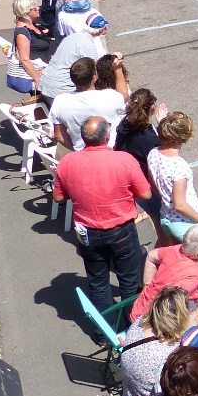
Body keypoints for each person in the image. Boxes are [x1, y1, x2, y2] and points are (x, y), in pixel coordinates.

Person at [55, 116, 153, 315]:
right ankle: (131, 327)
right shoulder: (124, 159)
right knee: (129, 280)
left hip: (88, 233)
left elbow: (58, 197)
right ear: (107, 136)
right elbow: (145, 193)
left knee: (98, 282)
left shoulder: (66, 163)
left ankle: (105, 331)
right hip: (122, 230)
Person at [129, 223, 198, 322]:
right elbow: (174, 301)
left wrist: (147, 284)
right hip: (150, 321)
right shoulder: (194, 276)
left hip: (138, 309)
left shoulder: (176, 250)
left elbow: (151, 256)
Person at [149, 111, 198, 244]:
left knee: (171, 255)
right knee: (191, 261)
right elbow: (180, 204)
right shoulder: (179, 166)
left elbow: (153, 186)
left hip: (166, 216)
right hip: (184, 223)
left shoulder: (153, 153)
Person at [50, 56, 127, 151]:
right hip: (111, 152)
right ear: (94, 77)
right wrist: (118, 69)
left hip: (82, 155)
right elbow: (124, 96)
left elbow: (59, 135)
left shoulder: (60, 101)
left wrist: (77, 150)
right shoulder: (109, 96)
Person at [115, 88, 165, 230]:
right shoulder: (149, 138)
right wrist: (162, 125)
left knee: (159, 226)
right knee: (164, 231)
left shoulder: (124, 126)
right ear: (152, 108)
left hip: (134, 184)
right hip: (151, 187)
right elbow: (165, 154)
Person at [37, 13, 109, 102]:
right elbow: (92, 73)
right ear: (100, 30)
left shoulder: (72, 37)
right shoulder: (88, 46)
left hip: (47, 83)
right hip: (61, 89)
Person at [4, 0, 48, 102]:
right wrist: (37, 79)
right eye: (34, 8)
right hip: (38, 75)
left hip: (46, 72)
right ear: (25, 12)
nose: (38, 8)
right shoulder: (22, 32)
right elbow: (24, 59)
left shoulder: (33, 25)